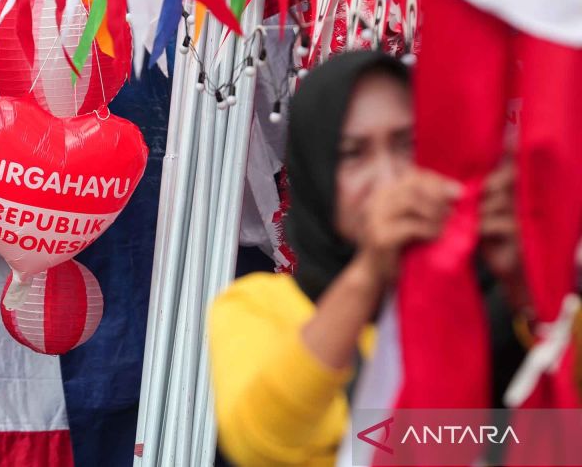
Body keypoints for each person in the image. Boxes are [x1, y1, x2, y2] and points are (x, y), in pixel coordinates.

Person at [208, 51, 528, 467]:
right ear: (316, 172)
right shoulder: (260, 307)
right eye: (353, 154)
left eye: (406, 145)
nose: (390, 178)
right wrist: (371, 272)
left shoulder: (494, 290)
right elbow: (263, 440)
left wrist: (528, 285)